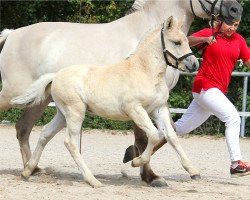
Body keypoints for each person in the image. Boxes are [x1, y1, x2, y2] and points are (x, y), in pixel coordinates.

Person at [175, 17, 250, 177]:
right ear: (221, 21)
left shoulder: (239, 40)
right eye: (230, 23)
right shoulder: (211, 33)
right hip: (205, 86)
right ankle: (236, 164)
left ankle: (145, 140)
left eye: (236, 25)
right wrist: (205, 39)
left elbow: (248, 60)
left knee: (180, 128)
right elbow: (185, 40)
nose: (233, 28)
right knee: (233, 119)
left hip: (213, 92)